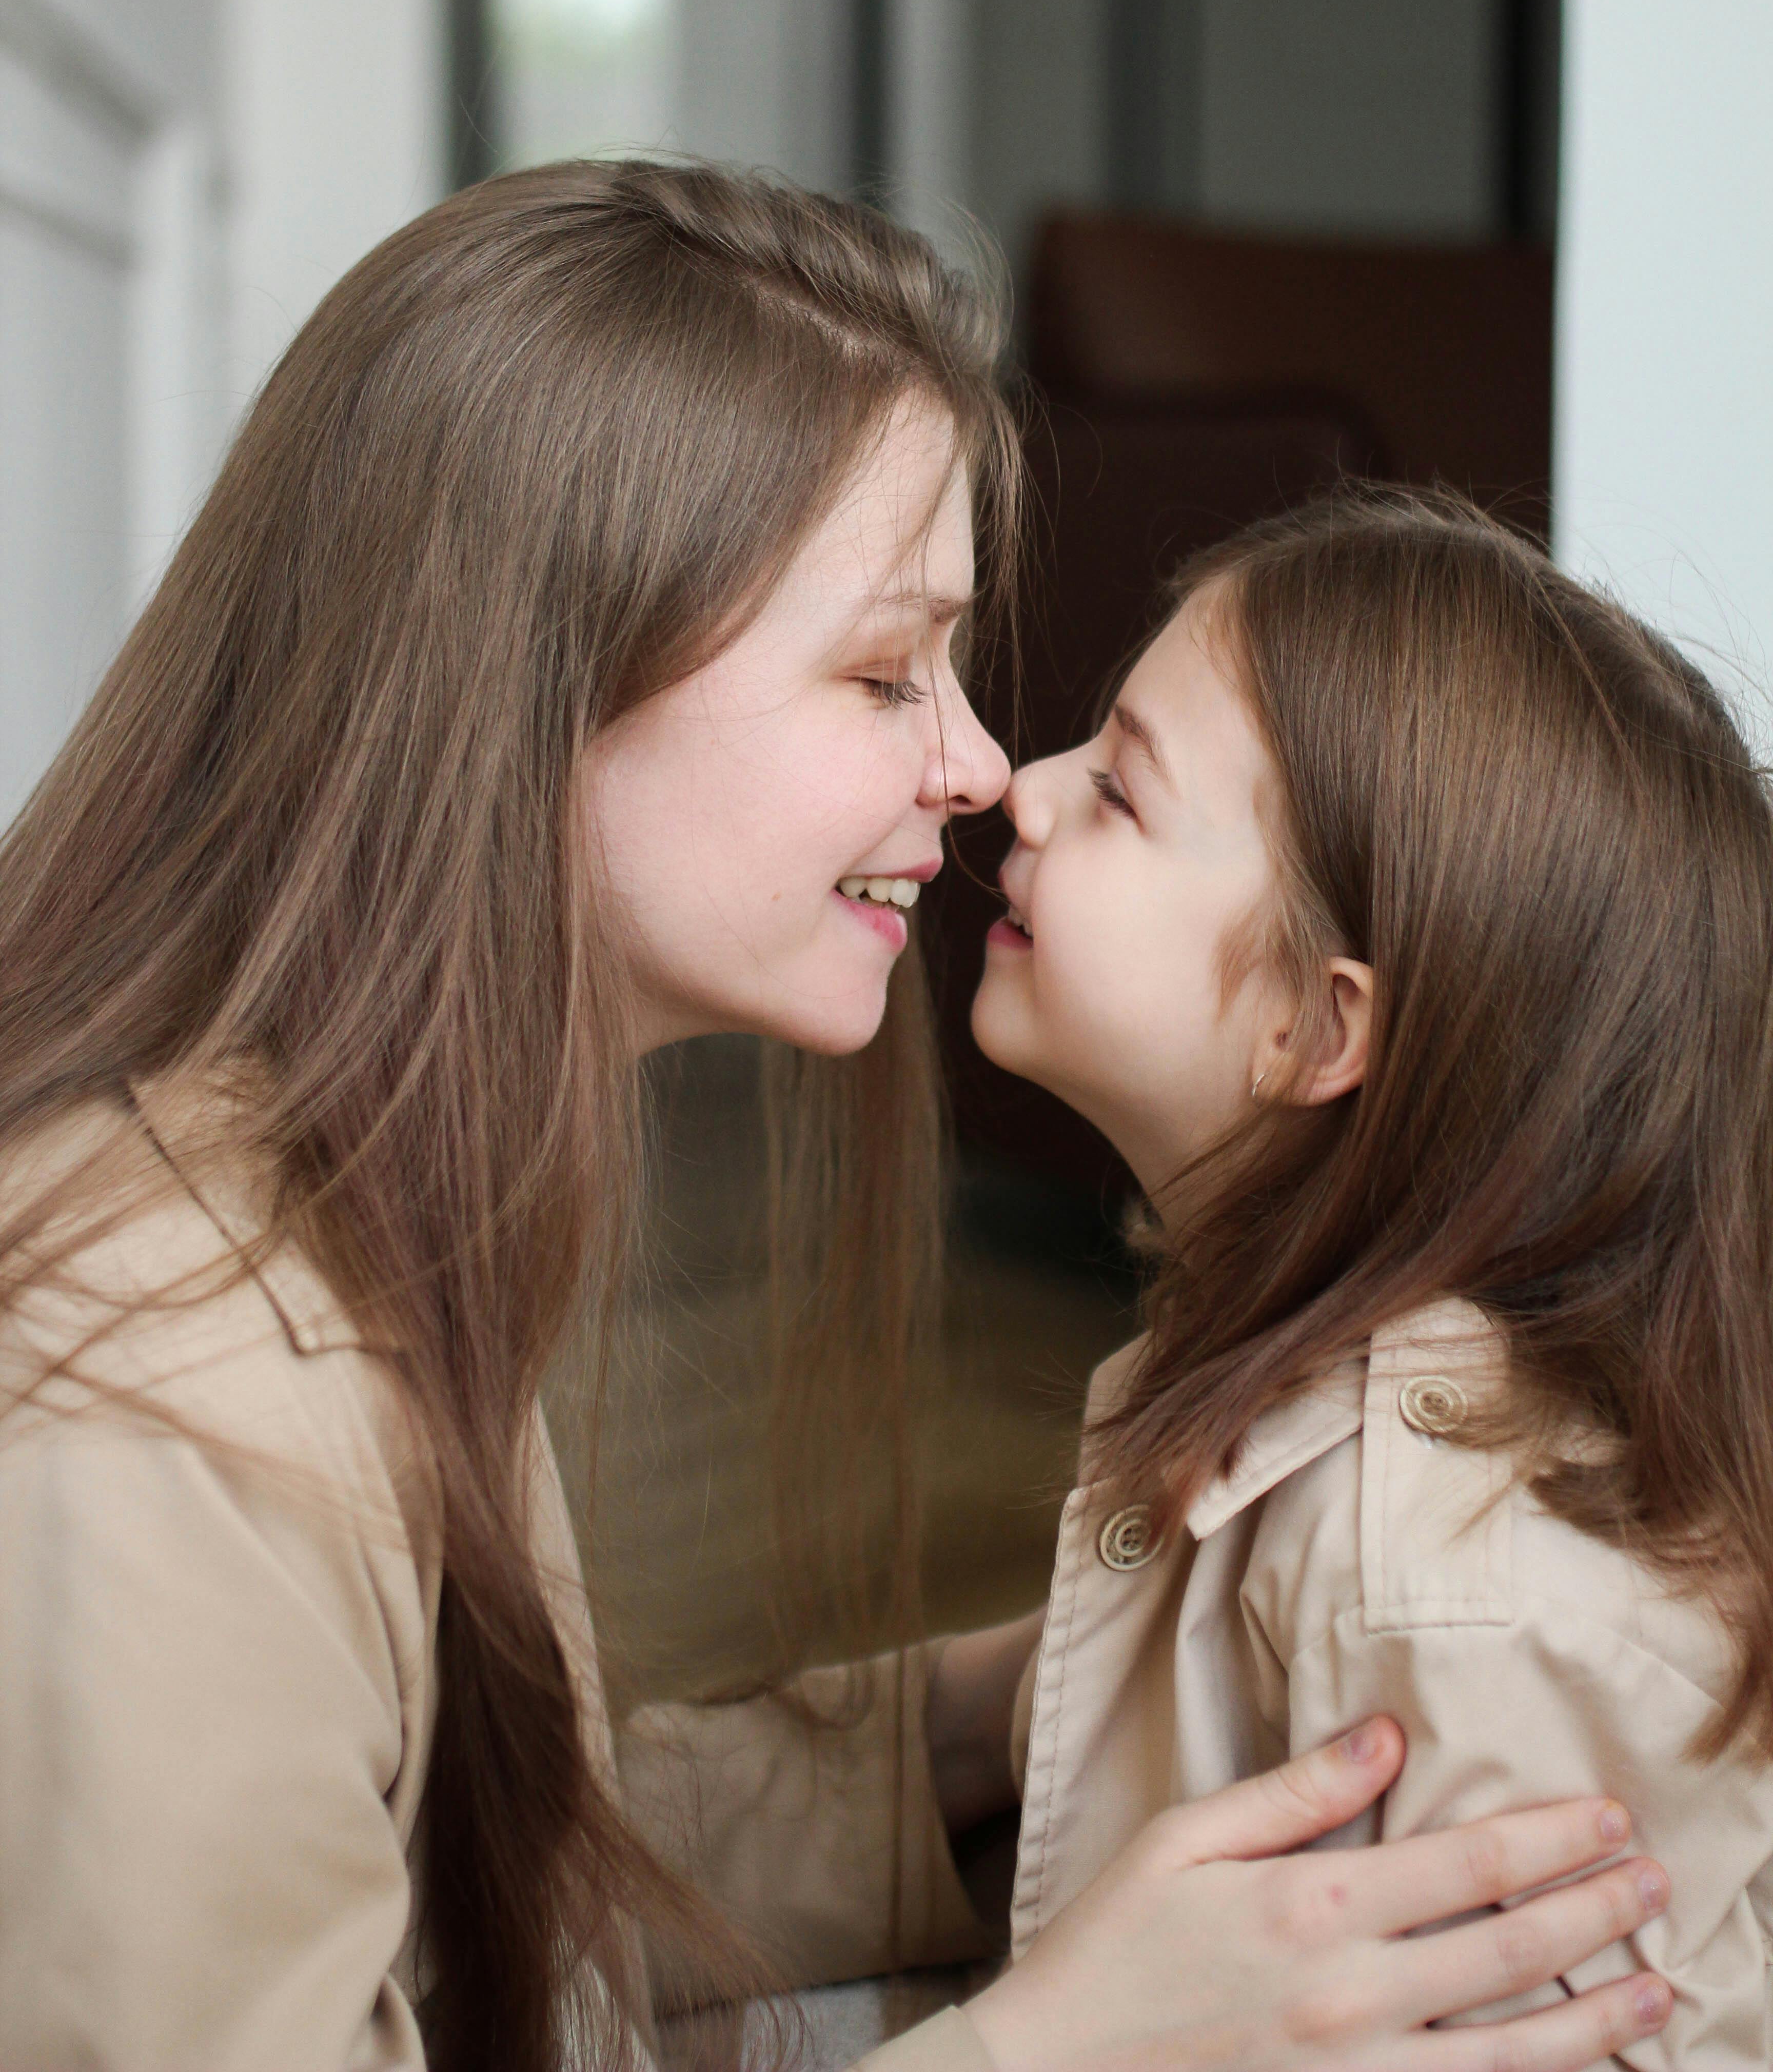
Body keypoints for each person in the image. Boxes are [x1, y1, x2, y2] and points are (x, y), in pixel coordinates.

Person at [0, 165, 1670, 2072]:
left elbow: (463, 1878)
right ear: (529, 689)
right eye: (886, 672)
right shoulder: (153, 1393)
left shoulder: (364, 1184)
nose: (976, 769)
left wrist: (1008, 1723)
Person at [972, 489, 1773, 2065]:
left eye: (1121, 791)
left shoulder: (1449, 1595)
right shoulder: (1294, 1388)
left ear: (1318, 1031)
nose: (1024, 786)